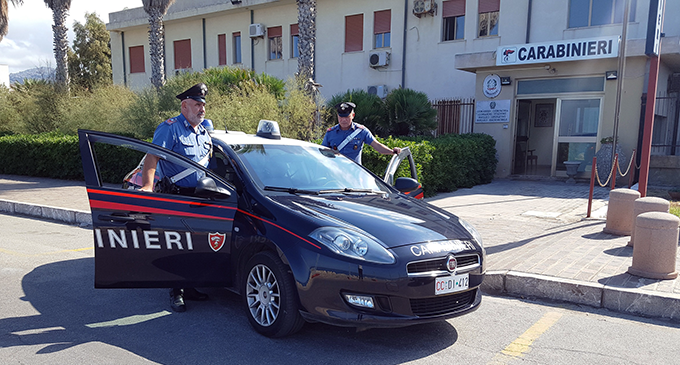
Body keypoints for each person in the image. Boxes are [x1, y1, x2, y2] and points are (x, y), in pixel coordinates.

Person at [139, 83, 212, 312]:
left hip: (200, 198)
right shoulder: (170, 128)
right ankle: (176, 291)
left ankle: (189, 286)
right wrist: (147, 188)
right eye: (197, 104)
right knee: (177, 246)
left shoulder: (203, 132)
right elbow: (152, 160)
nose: (201, 109)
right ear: (184, 105)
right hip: (176, 197)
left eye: (203, 105)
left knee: (194, 246)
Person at [322, 102, 401, 164]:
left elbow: (377, 146)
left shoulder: (361, 131)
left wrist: (392, 151)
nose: (343, 120)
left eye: (346, 117)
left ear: (353, 115)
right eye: (341, 117)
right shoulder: (330, 133)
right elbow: (322, 153)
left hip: (355, 173)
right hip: (336, 173)